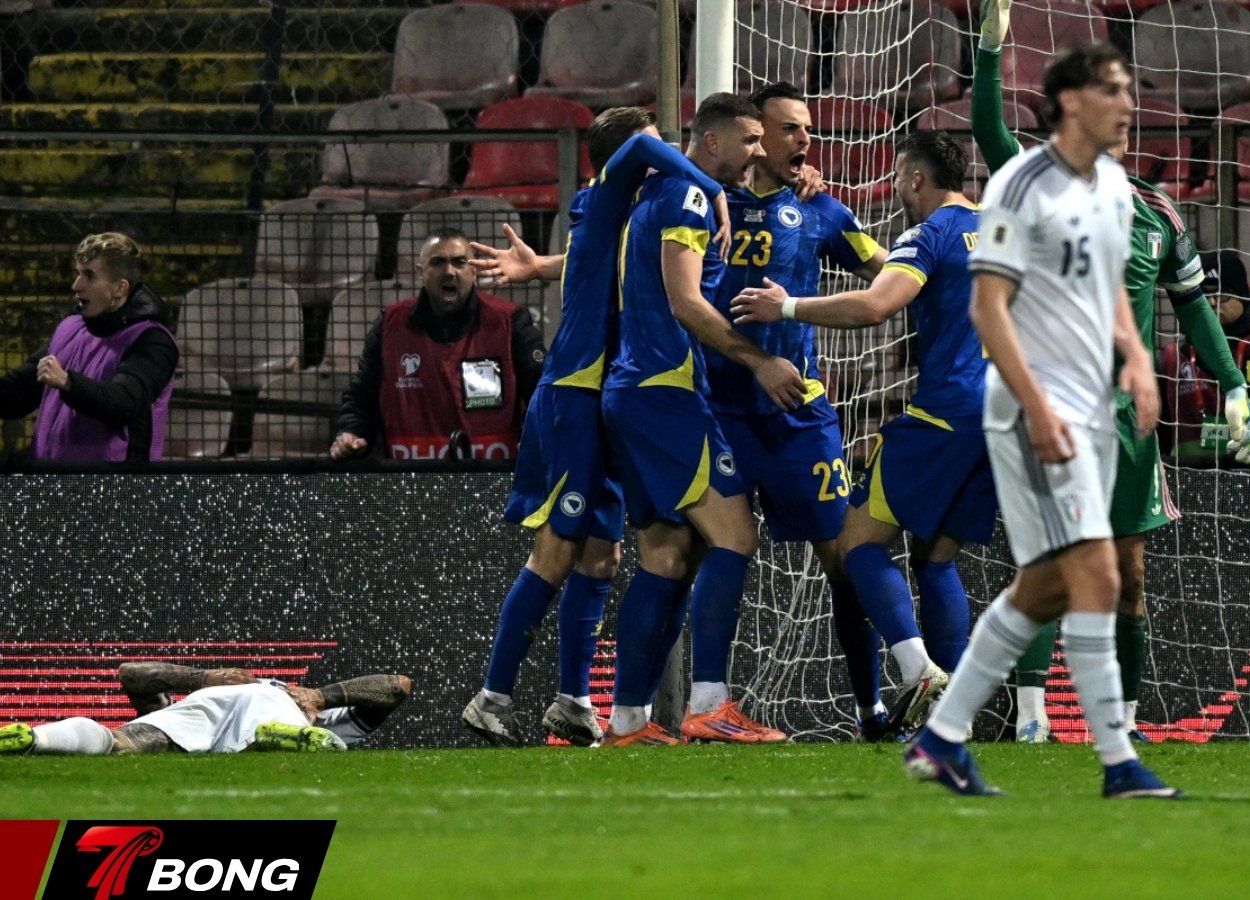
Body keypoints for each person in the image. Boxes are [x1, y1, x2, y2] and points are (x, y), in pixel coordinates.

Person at [904, 42, 1180, 797]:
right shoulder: (1016, 187)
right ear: (1069, 102)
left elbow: (1114, 290)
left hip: (1094, 408)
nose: (1131, 107)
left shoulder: (1118, 188)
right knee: (1093, 571)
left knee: (1046, 588)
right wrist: (1037, 408)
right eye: (1115, 92)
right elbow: (987, 309)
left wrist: (1135, 358)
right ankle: (1119, 762)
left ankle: (941, 738)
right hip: (1031, 406)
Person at [973, 0, 1250, 743]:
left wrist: (1234, 386)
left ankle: (1118, 722)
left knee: (1129, 574)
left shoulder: (1158, 213)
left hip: (1127, 420)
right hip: (1056, 404)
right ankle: (1032, 720)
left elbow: (1193, 310)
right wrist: (988, 54)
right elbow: (991, 134)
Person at [459, 107, 731, 748]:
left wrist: (541, 267)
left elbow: (597, 260)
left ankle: (574, 702)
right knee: (555, 549)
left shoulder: (621, 216)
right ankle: (490, 698)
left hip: (610, 396)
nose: (668, 160)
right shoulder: (606, 191)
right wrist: (713, 190)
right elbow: (640, 149)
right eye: (659, 149)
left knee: (602, 556)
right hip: (575, 392)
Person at [732, 129, 992, 740]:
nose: (896, 185)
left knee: (855, 545)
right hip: (1005, 419)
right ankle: (948, 723)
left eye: (899, 175)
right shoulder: (1003, 229)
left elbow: (878, 306)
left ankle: (919, 673)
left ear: (916, 179)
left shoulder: (928, 235)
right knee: (936, 559)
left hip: (945, 414)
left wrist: (788, 307)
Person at [599, 92, 806, 745]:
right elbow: (686, 301)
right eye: (748, 141)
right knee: (736, 536)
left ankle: (628, 720)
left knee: (666, 555)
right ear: (710, 142)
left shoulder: (657, 195)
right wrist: (760, 363)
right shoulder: (687, 196)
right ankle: (711, 704)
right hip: (665, 393)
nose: (757, 153)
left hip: (635, 390)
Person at [704, 81, 893, 741]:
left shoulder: (823, 210)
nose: (804, 142)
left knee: (843, 558)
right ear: (752, 137)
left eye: (806, 131)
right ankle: (690, 708)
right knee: (685, 551)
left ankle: (871, 707)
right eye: (789, 130)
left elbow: (888, 275)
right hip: (718, 406)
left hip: (797, 413)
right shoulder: (704, 201)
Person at [330, 228, 546, 462]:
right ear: (421, 273)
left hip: (494, 481)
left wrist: (537, 439)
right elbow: (362, 398)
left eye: (459, 262)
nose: (449, 271)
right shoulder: (390, 325)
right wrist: (351, 433)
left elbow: (543, 394)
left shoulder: (510, 322)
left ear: (474, 271)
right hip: (413, 484)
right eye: (438, 262)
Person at [0, 232, 177, 461]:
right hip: (49, 483)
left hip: (114, 490)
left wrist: (67, 383)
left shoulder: (151, 341)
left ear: (119, 288)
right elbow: (19, 392)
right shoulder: (69, 328)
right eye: (78, 273)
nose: (76, 285)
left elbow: (125, 402)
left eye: (89, 276)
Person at [0, 662, 412, 755]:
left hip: (214, 703)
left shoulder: (330, 721)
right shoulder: (325, 720)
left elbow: (396, 687)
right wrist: (319, 700)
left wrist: (200, 680)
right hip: (278, 712)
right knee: (317, 748)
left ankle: (36, 737)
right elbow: (396, 687)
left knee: (119, 743)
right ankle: (273, 739)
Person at [1160, 250, 1250, 464]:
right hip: (1184, 483)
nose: (1211, 303)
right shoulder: (1173, 359)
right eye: (1203, 294)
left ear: (1244, 296)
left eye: (1222, 295)